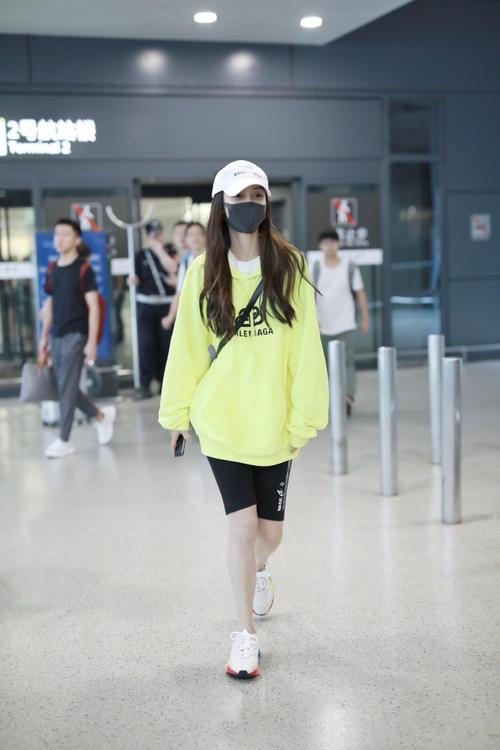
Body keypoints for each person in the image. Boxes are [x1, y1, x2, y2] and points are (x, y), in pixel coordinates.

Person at [159, 160, 328, 679]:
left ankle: (258, 571)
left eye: (257, 195)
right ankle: (244, 637)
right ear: (221, 205)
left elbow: (306, 348)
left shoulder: (290, 265)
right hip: (223, 422)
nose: (248, 204)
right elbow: (187, 347)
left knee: (269, 535)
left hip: (274, 422)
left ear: (266, 202)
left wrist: (304, 418)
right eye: (238, 196)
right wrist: (177, 414)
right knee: (242, 526)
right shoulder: (202, 271)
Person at [38, 218, 116, 459]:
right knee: (62, 385)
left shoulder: (84, 269)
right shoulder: (53, 269)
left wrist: (91, 342)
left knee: (67, 387)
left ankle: (64, 440)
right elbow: (49, 304)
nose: (59, 238)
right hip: (57, 335)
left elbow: (94, 307)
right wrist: (43, 338)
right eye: (57, 234)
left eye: (65, 234)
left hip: (76, 334)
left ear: (76, 239)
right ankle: (100, 416)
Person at [313, 229, 369, 416]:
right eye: (325, 242)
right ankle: (329, 400)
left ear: (339, 244)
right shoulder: (315, 267)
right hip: (322, 326)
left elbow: (360, 294)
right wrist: (312, 321)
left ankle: (348, 398)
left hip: (346, 324)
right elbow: (309, 296)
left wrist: (364, 320)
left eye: (332, 241)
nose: (329, 246)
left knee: (348, 363)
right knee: (324, 366)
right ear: (320, 246)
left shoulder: (349, 267)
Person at [129, 220, 178, 399]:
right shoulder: (141, 255)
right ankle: (145, 383)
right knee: (146, 344)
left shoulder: (170, 251)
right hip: (146, 304)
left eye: (159, 232)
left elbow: (173, 269)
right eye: (153, 233)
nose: (156, 236)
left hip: (166, 305)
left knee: (167, 346)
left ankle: (165, 384)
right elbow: (136, 276)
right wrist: (133, 280)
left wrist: (160, 251)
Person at [160, 221, 206, 331]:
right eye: (191, 235)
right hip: (193, 314)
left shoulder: (215, 259)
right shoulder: (185, 263)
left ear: (205, 236)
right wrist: (170, 316)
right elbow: (179, 292)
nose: (195, 238)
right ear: (186, 239)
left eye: (198, 234)